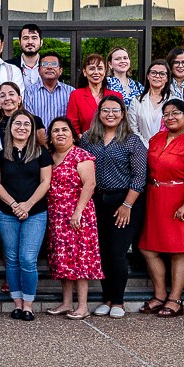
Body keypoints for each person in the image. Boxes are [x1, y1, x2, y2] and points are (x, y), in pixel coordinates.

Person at [79, 96, 146, 317]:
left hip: (124, 202)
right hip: (97, 200)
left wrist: (127, 204)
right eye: (105, 110)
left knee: (117, 252)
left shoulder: (132, 140)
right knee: (102, 252)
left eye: (115, 110)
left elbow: (139, 177)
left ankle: (118, 301)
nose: (110, 114)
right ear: (99, 113)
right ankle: (106, 298)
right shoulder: (88, 139)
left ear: (123, 113)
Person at [140, 100, 184, 317]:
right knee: (148, 248)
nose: (170, 117)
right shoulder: (156, 139)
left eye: (176, 113)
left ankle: (175, 298)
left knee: (178, 249)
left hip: (180, 199)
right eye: (166, 114)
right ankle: (159, 295)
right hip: (156, 196)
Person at [0, 111, 52, 321]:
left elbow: (45, 182)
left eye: (27, 124)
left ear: (32, 129)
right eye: (18, 123)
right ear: (10, 127)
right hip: (7, 212)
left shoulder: (41, 152)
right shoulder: (0, 152)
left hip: (35, 212)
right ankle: (17, 303)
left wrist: (27, 205)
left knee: (27, 258)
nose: (22, 127)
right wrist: (15, 205)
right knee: (12, 258)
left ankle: (28, 304)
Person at [44, 116, 101, 318]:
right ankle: (66, 303)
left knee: (80, 260)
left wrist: (77, 212)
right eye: (56, 130)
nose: (60, 133)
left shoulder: (81, 155)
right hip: (56, 215)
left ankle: (83, 306)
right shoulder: (49, 157)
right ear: (50, 137)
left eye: (64, 130)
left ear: (73, 134)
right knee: (62, 259)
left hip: (78, 214)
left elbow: (89, 184)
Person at [66, 53, 116, 137]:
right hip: (85, 145)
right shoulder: (76, 95)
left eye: (100, 69)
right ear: (85, 72)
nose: (96, 72)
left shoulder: (115, 96)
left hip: (113, 145)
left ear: (104, 72)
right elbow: (72, 125)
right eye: (92, 69)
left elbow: (121, 124)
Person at [128, 60, 174, 141]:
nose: (157, 76)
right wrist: (145, 146)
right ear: (148, 76)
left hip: (167, 149)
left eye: (162, 74)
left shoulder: (174, 101)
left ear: (167, 78)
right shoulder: (136, 102)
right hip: (141, 149)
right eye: (153, 72)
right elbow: (133, 129)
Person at [22, 52, 72, 126]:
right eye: (45, 64)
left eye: (54, 64)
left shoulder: (71, 92)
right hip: (37, 136)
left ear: (60, 70)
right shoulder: (29, 93)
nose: (49, 67)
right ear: (38, 70)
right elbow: (28, 120)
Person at [12, 24, 46, 89]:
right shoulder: (9, 66)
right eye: (25, 38)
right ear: (19, 42)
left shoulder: (50, 66)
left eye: (34, 38)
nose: (30, 42)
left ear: (41, 42)